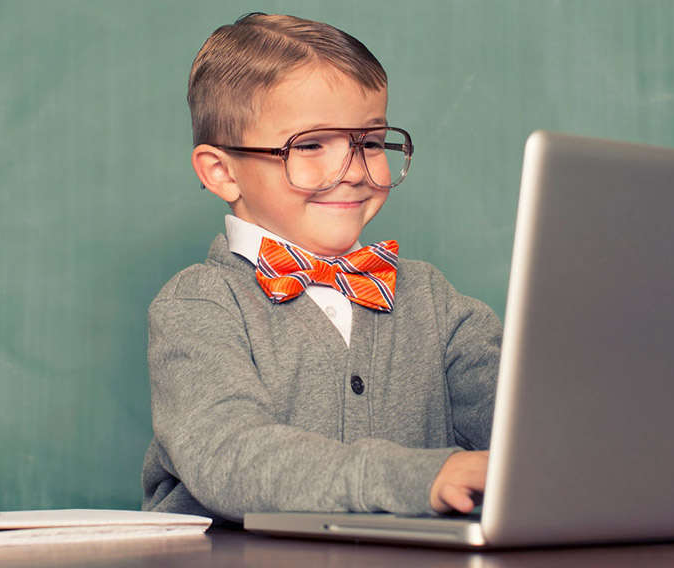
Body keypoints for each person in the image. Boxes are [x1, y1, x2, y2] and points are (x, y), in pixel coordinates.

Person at [141, 13, 501, 523]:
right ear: (221, 171)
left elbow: (521, 433)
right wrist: (415, 478)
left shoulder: (433, 300)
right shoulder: (200, 305)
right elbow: (230, 457)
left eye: (371, 143)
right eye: (310, 145)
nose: (354, 171)